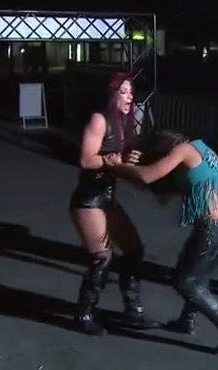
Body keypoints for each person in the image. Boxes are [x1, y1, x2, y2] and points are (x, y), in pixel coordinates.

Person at [107, 131, 218, 353]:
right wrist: (135, 167)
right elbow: (161, 191)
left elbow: (147, 176)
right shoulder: (202, 151)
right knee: (200, 276)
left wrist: (118, 166)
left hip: (214, 228)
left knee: (185, 282)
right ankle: (186, 321)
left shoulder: (183, 150)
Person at [69, 72, 159, 335]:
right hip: (88, 199)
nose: (130, 97)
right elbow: (86, 159)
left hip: (107, 196)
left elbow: (119, 161)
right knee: (102, 258)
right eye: (124, 92)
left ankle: (133, 311)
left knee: (134, 250)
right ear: (112, 95)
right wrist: (110, 161)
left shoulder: (124, 123)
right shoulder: (100, 120)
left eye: (131, 92)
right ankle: (84, 314)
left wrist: (129, 161)